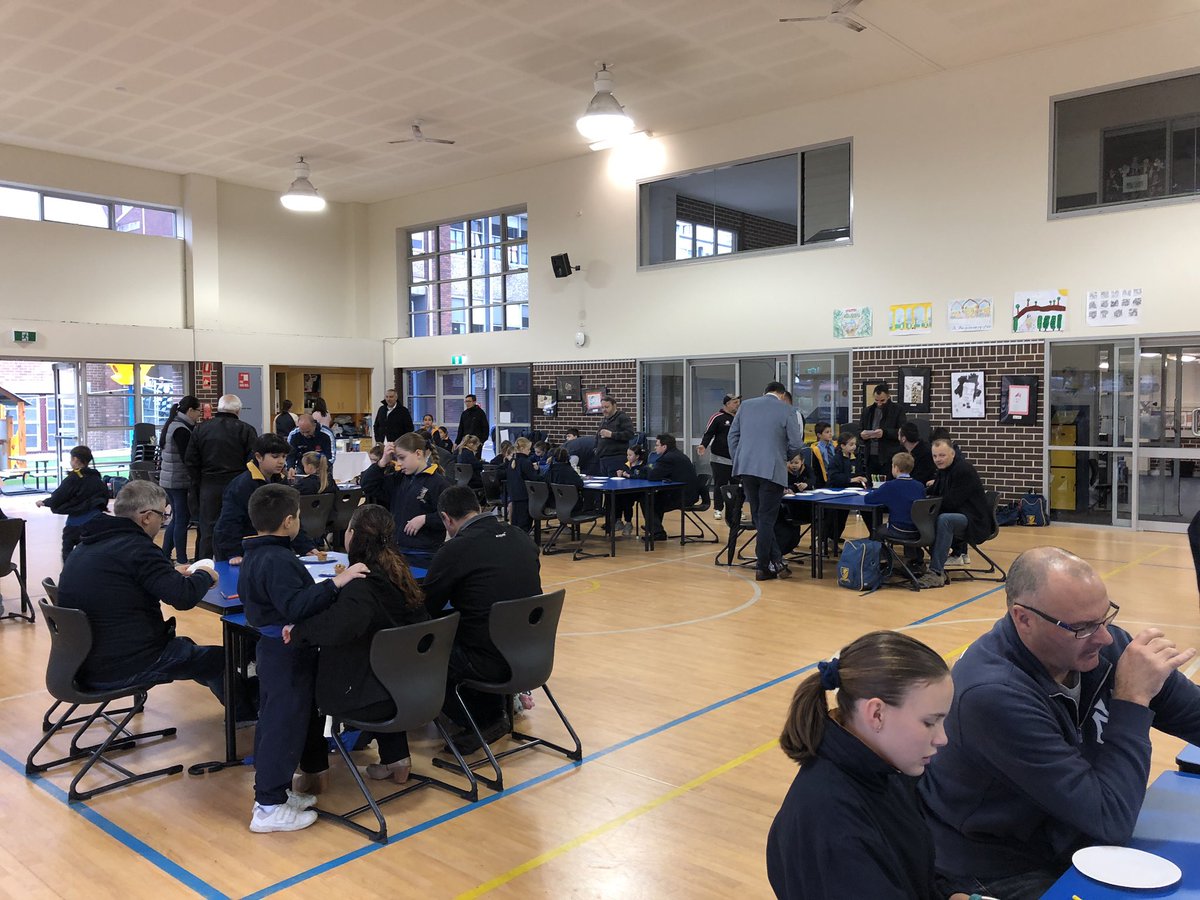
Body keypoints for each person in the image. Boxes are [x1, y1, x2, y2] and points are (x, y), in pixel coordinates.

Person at [920, 547, 1200, 897]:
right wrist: (1131, 701)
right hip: (998, 865)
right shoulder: (991, 694)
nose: (1106, 638)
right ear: (1023, 619)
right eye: (1082, 627)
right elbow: (1110, 821)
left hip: (1071, 831)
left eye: (1105, 618)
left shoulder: (1098, 647)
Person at [766, 631, 955, 899]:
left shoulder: (885, 770)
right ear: (876, 714)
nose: (942, 738)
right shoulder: (833, 827)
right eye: (929, 722)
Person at [239, 484, 368, 833]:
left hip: (275, 651)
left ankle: (273, 793)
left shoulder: (259, 552)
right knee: (283, 725)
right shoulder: (276, 559)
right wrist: (336, 584)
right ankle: (267, 807)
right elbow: (296, 606)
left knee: (276, 721)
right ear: (288, 521)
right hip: (284, 653)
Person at [285, 504, 430, 785]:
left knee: (305, 676)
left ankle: (313, 771)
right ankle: (396, 758)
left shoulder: (362, 585)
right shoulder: (401, 575)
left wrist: (300, 630)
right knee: (381, 663)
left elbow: (335, 628)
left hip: (373, 698)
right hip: (415, 687)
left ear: (351, 534)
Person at [56, 480, 225, 704]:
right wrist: (204, 573)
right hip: (127, 664)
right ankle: (246, 713)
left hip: (82, 664)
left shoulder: (88, 545)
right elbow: (183, 597)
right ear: (146, 517)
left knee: (191, 650)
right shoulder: (138, 548)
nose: (164, 522)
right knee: (223, 659)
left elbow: (123, 579)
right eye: (163, 516)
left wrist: (169, 571)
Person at [422, 486, 542, 752]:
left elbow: (425, 607)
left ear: (446, 519)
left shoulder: (456, 550)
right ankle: (493, 711)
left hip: (488, 660)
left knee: (426, 655)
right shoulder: (521, 537)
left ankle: (481, 720)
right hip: (532, 653)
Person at [728, 382, 806, 581]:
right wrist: (783, 457)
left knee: (758, 516)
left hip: (746, 469)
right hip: (772, 471)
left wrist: (740, 457)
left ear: (765, 393)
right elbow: (797, 443)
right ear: (781, 394)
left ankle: (776, 561)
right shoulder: (787, 409)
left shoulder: (745, 406)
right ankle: (763, 567)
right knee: (766, 518)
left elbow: (733, 436)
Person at [213, 434, 316, 563]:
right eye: (275, 456)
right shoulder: (241, 485)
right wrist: (234, 553)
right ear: (259, 457)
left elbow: (292, 519)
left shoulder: (281, 481)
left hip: (266, 549)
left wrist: (306, 547)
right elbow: (229, 521)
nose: (281, 461)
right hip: (238, 550)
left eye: (284, 456)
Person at [185, 393, 257, 560]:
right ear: (238, 410)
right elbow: (252, 461)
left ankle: (203, 567)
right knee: (237, 525)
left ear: (218, 408)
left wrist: (199, 480)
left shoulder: (201, 428)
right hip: (238, 484)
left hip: (208, 485)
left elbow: (190, 460)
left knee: (207, 530)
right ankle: (234, 562)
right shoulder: (246, 429)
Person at [919, 439, 991, 589]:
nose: (938, 460)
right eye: (935, 456)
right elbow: (935, 491)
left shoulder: (963, 470)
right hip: (960, 513)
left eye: (942, 455)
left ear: (952, 454)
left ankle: (936, 572)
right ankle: (915, 562)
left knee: (945, 519)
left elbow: (952, 502)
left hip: (974, 520)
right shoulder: (943, 471)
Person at [378, 432, 450, 556]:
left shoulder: (438, 483)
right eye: (396, 458)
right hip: (397, 549)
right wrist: (382, 462)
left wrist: (426, 519)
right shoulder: (399, 478)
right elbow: (369, 486)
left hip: (425, 553)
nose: (399, 463)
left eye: (402, 458)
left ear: (418, 454)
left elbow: (450, 517)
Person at [37, 444, 108, 561]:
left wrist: (44, 502)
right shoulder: (96, 478)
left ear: (75, 459)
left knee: (68, 553)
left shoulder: (73, 478)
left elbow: (59, 496)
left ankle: (68, 576)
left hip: (76, 524)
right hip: (96, 520)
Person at [157, 396, 203, 564]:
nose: (198, 415)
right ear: (190, 410)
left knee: (177, 519)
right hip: (178, 480)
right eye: (198, 411)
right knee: (181, 519)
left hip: (169, 479)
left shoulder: (173, 424)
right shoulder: (181, 429)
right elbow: (187, 458)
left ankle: (165, 554)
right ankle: (182, 559)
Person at [641, 434, 699, 542]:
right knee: (655, 498)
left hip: (683, 497)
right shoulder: (678, 455)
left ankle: (656, 531)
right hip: (689, 494)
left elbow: (652, 476)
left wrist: (647, 469)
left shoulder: (667, 458)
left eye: (657, 445)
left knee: (647, 499)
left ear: (664, 446)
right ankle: (654, 527)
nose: (655, 447)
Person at [824, 431, 869, 555]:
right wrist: (850, 479)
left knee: (842, 519)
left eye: (855, 444)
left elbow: (859, 472)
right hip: (837, 492)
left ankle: (833, 539)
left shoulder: (855, 457)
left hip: (852, 492)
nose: (854, 447)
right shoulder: (836, 459)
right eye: (851, 444)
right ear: (843, 446)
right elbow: (833, 477)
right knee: (836, 518)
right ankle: (826, 539)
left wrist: (862, 478)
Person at [698, 394, 740, 521]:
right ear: (727, 404)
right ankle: (718, 509)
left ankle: (736, 510)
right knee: (720, 484)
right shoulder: (717, 417)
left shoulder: (740, 417)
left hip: (737, 459)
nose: (738, 404)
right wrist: (703, 445)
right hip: (719, 458)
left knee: (737, 485)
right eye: (735, 402)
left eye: (738, 402)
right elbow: (709, 433)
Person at [858, 383, 906, 480]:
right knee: (871, 485)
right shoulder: (867, 411)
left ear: (888, 396)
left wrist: (885, 433)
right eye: (876, 400)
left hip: (888, 456)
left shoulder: (898, 410)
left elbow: (902, 431)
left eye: (882, 400)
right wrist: (862, 435)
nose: (879, 403)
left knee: (888, 485)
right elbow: (859, 429)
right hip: (871, 455)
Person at [595, 396, 634, 476]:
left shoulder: (622, 417)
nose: (604, 410)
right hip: (603, 459)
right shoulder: (604, 420)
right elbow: (598, 437)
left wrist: (612, 435)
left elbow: (630, 434)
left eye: (607, 407)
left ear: (614, 406)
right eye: (602, 407)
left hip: (616, 459)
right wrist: (596, 449)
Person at [612, 445, 647, 536]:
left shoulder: (642, 466)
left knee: (627, 500)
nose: (628, 457)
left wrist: (629, 476)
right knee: (616, 496)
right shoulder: (626, 465)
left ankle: (628, 522)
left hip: (637, 491)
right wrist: (619, 474)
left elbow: (642, 477)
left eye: (630, 455)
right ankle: (618, 520)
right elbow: (622, 473)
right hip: (625, 488)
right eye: (627, 455)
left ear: (637, 456)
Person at [900, 421, 936, 486]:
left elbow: (922, 477)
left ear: (903, 439)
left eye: (898, 435)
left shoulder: (926, 452)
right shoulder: (903, 451)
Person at [359, 444, 389, 508]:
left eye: (375, 460)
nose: (372, 462)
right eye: (371, 459)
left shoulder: (387, 473)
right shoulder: (371, 470)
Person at [807, 421, 835, 488]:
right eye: (827, 432)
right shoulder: (816, 449)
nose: (830, 434)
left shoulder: (835, 446)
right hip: (823, 478)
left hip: (835, 475)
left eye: (831, 431)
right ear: (819, 435)